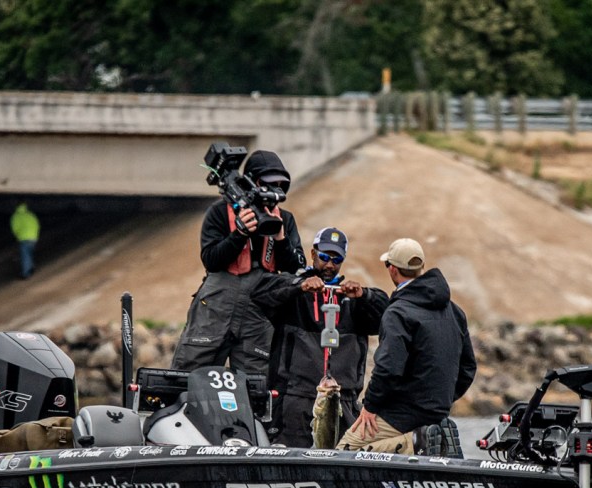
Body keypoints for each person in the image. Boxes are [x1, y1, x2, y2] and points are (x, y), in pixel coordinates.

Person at [336, 238, 476, 456]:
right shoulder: (455, 311)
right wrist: (440, 401)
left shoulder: (398, 312)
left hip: (398, 414)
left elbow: (388, 368)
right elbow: (468, 368)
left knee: (344, 451)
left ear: (392, 269)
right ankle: (429, 440)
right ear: (422, 266)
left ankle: (416, 443)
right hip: (437, 414)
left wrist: (370, 406)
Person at [172, 150, 306, 376]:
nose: (274, 189)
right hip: (217, 306)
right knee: (192, 371)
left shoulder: (285, 219)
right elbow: (211, 260)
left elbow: (297, 268)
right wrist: (240, 233)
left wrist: (280, 239)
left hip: (259, 310)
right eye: (268, 183)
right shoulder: (219, 211)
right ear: (253, 182)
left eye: (280, 185)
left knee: (254, 380)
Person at [252, 227, 388, 447]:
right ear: (313, 253)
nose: (330, 265)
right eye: (324, 257)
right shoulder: (294, 293)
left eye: (337, 260)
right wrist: (299, 285)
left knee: (342, 461)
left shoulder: (353, 300)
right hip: (295, 399)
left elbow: (388, 315)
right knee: (291, 458)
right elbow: (260, 293)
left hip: (342, 401)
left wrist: (365, 295)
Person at [11, 202, 40, 279]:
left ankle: (25, 273)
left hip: (24, 238)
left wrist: (17, 236)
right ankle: (31, 267)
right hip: (33, 237)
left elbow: (15, 228)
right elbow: (36, 224)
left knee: (25, 255)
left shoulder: (16, 216)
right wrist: (35, 235)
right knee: (29, 253)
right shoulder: (30, 214)